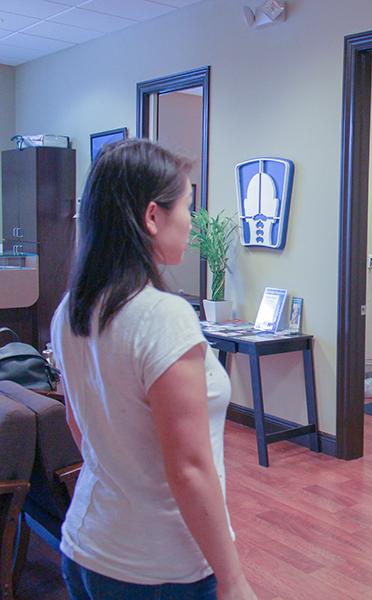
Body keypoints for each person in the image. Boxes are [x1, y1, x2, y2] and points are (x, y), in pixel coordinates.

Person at [50, 139, 256, 600]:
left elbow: (79, 425)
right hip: (159, 569)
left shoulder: (71, 310)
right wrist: (233, 579)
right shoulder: (162, 316)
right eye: (186, 205)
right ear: (151, 216)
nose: (191, 221)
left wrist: (125, 476)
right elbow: (189, 469)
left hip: (88, 544)